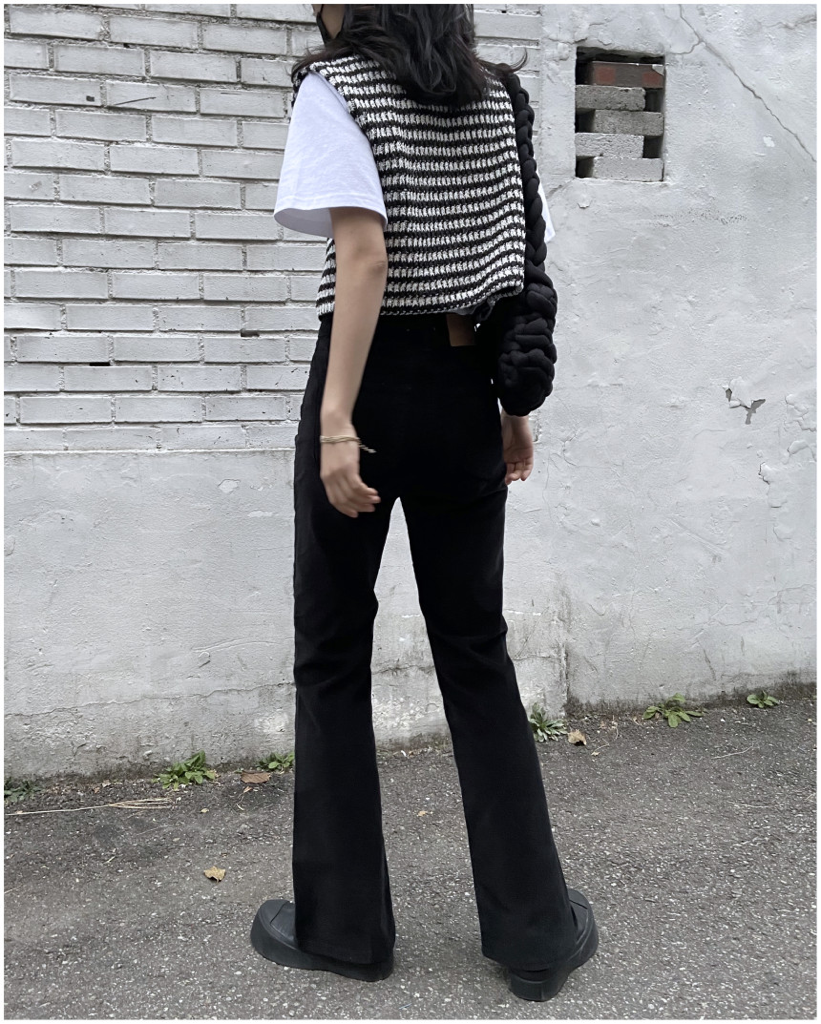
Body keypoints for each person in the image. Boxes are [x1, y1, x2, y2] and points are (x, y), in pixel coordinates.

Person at [249, 3, 598, 1002]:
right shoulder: (497, 96)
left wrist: (336, 420)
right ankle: (534, 936)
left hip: (363, 384)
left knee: (331, 650)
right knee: (474, 648)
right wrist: (509, 408)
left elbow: (362, 255)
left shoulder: (336, 87)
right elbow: (515, 258)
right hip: (462, 386)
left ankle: (344, 930)